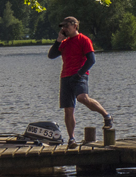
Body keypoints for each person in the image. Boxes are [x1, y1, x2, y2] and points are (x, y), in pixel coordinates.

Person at [48, 17, 113, 147]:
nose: (64, 29)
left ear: (75, 26)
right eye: (63, 27)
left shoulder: (84, 40)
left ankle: (106, 115)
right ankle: (72, 138)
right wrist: (58, 40)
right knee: (68, 109)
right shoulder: (64, 42)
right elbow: (51, 55)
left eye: (67, 26)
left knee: (82, 98)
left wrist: (79, 73)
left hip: (79, 75)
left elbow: (91, 60)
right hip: (65, 77)